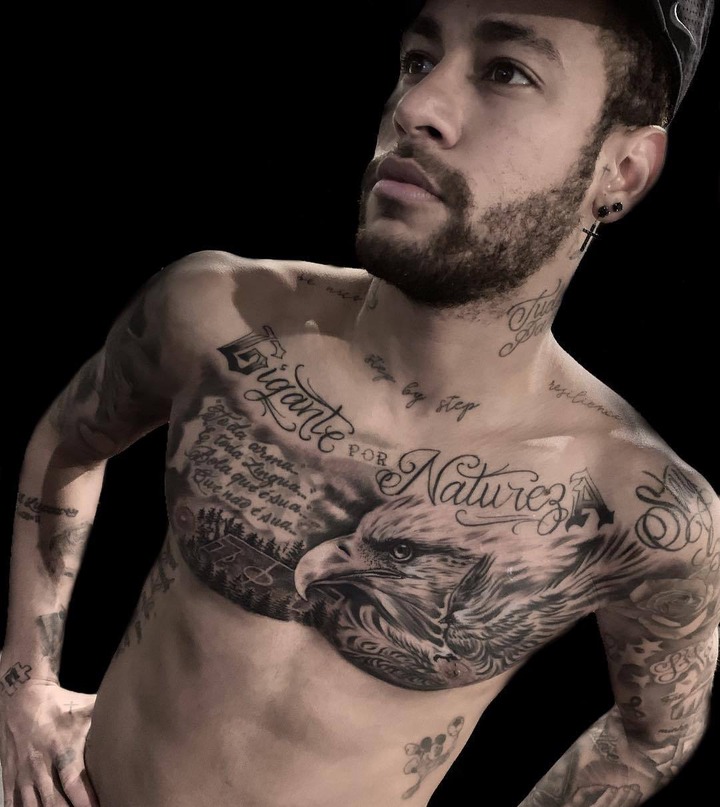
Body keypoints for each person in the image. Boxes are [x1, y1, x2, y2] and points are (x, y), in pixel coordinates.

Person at [1, 0, 718, 804]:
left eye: (506, 71)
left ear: (622, 170)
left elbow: (655, 733)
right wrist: (26, 685)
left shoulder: (638, 505)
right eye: (418, 59)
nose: (416, 107)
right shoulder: (215, 312)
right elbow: (67, 442)